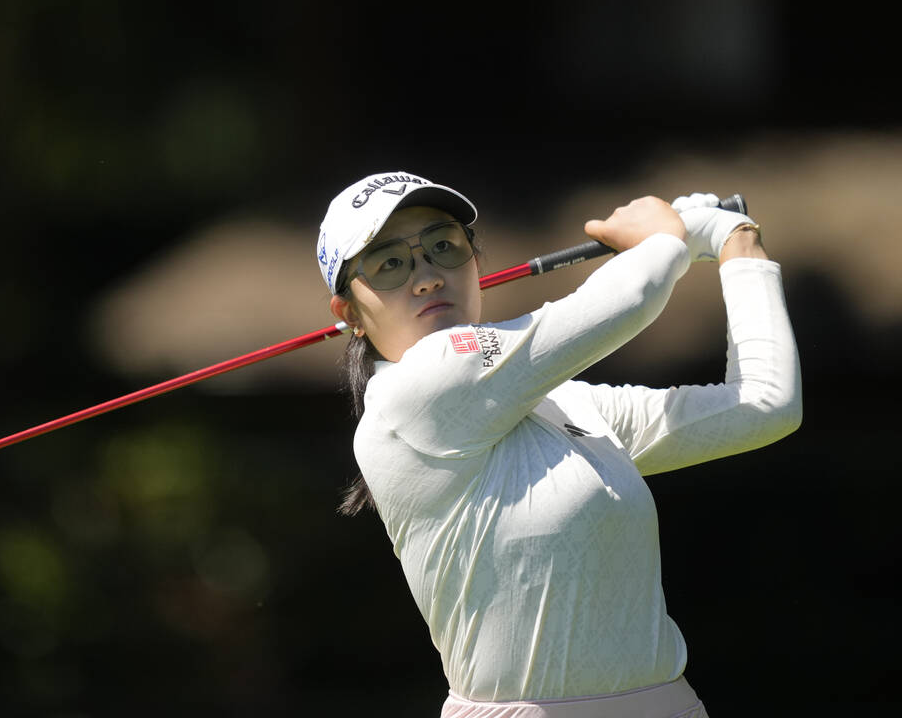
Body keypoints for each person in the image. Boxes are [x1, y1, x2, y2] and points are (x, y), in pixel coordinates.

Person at [316, 171, 802, 718]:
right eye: (390, 263)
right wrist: (665, 237)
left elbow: (765, 406)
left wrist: (739, 245)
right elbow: (633, 296)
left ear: (476, 263)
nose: (427, 276)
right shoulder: (409, 397)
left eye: (443, 247)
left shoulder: (570, 406)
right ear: (349, 314)